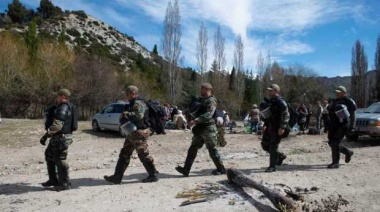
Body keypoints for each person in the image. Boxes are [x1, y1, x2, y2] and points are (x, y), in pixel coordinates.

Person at [104, 85, 159, 183]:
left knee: (143, 153)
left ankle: (153, 175)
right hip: (132, 132)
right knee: (124, 153)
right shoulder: (133, 103)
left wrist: (126, 114)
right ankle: (117, 177)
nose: (126, 96)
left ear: (133, 93)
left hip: (139, 132)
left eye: (127, 94)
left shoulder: (139, 103)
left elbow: (139, 115)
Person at [175, 83, 226, 176]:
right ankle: (186, 170)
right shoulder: (202, 100)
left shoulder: (211, 100)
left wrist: (195, 121)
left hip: (208, 128)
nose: (200, 90)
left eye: (202, 88)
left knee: (212, 149)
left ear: (207, 89)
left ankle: (221, 169)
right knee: (193, 148)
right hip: (200, 128)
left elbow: (209, 114)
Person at [40, 88, 77, 191]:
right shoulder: (63, 106)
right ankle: (53, 180)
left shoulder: (63, 107)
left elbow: (57, 125)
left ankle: (64, 183)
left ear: (63, 97)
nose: (56, 98)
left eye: (58, 96)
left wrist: (46, 136)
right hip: (58, 137)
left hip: (62, 137)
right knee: (49, 155)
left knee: (60, 159)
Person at [260, 84, 289, 172]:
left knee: (273, 146)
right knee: (265, 145)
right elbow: (268, 115)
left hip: (277, 127)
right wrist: (264, 125)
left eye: (271, 90)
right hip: (270, 126)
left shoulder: (280, 101)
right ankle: (279, 156)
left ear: (276, 91)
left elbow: (286, 115)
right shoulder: (271, 101)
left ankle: (272, 166)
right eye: (269, 90)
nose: (269, 92)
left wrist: (282, 127)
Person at [326, 86, 355, 169]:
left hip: (342, 125)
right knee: (331, 143)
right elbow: (330, 113)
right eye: (336, 92)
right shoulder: (334, 101)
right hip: (333, 125)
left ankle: (335, 163)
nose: (337, 93)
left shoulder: (349, 101)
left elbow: (353, 114)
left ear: (344, 93)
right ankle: (348, 152)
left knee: (335, 142)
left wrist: (352, 127)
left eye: (339, 92)